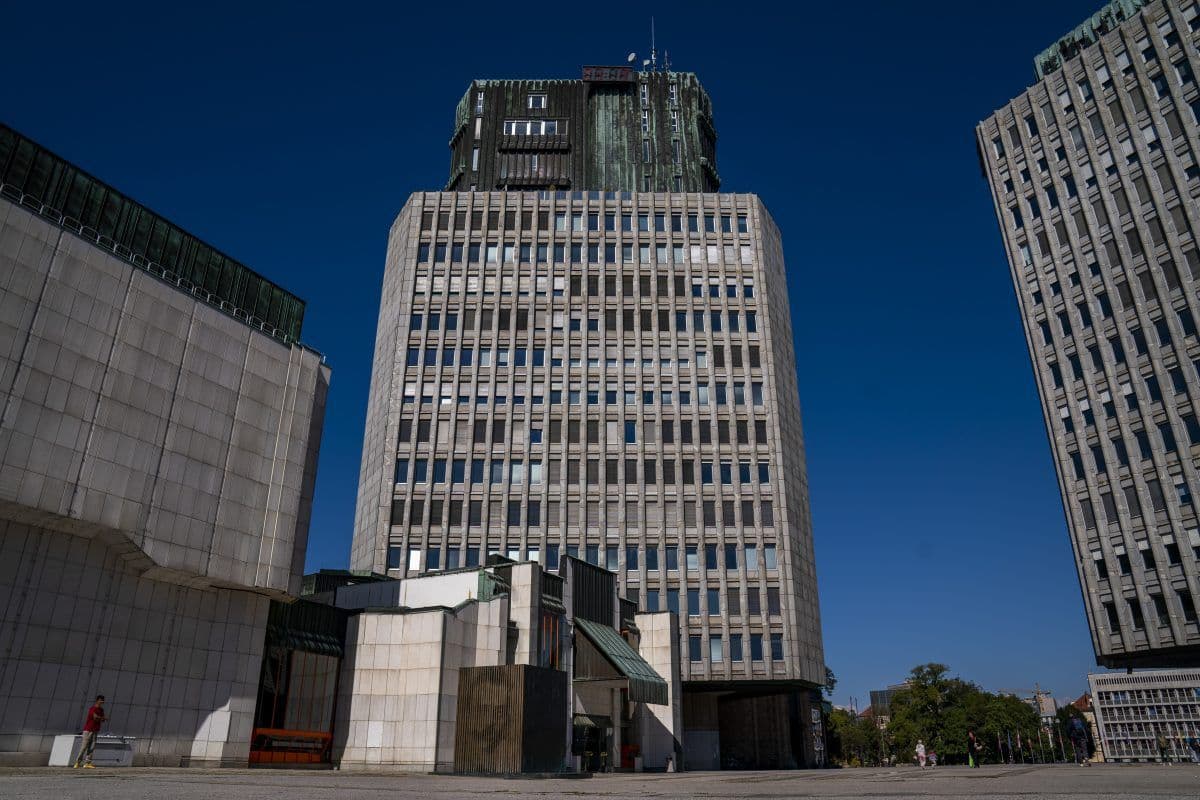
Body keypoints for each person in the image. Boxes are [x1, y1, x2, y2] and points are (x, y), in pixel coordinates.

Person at [72, 695, 106, 768]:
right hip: (88, 730)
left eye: (103, 700)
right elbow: (95, 717)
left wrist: (101, 718)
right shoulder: (92, 708)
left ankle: (87, 763)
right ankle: (77, 762)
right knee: (84, 746)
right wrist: (102, 718)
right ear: (97, 700)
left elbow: (102, 719)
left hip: (95, 730)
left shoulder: (101, 710)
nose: (102, 701)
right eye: (101, 700)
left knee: (92, 747)